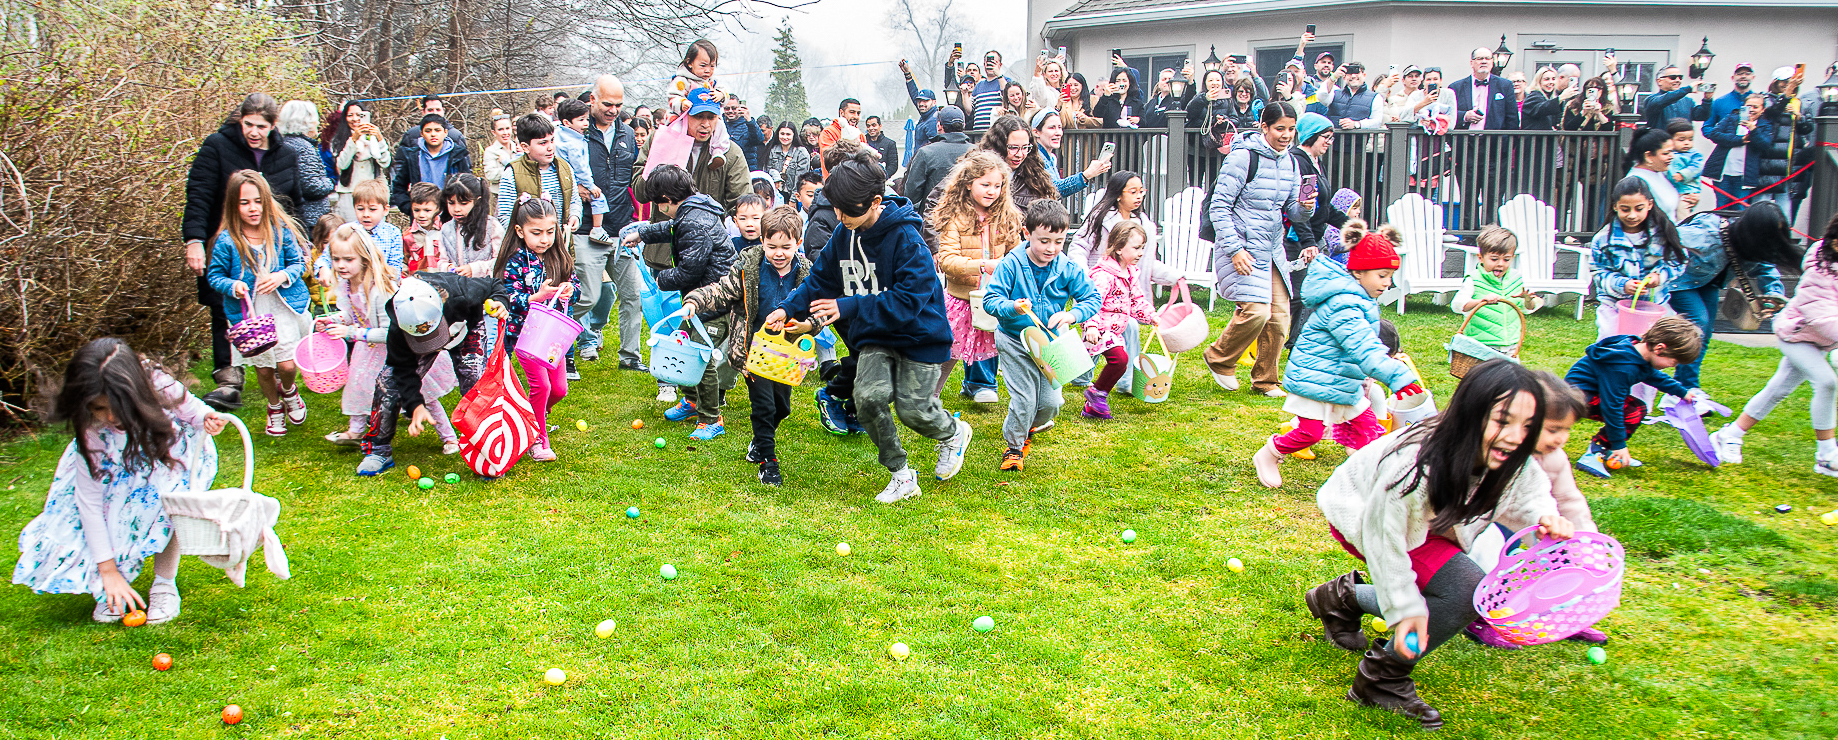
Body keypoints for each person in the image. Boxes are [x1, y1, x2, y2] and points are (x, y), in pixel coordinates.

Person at [1305, 359, 1572, 730]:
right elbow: (1385, 541)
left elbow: (1529, 489)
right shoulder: (1415, 465)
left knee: (1450, 593)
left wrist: (1544, 516)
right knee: (1463, 591)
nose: (1515, 436)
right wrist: (1403, 609)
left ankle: (1343, 597)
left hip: (1424, 525)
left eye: (1528, 425)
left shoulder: (1510, 455)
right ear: (1471, 413)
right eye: (1502, 420)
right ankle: (1382, 679)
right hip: (1366, 515)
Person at [764, 152, 972, 503]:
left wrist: (847, 306)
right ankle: (902, 476)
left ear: (875, 202)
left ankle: (953, 433)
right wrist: (786, 309)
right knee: (868, 398)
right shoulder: (844, 234)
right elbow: (820, 280)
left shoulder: (907, 240)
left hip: (919, 336)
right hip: (875, 336)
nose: (841, 218)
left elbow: (908, 301)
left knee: (914, 410)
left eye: (849, 210)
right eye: (837, 209)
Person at [11, 338, 231, 624]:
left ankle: (164, 583)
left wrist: (208, 418)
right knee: (112, 515)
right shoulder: (92, 429)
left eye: (117, 406)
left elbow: (194, 410)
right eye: (99, 407)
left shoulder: (157, 383)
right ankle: (116, 581)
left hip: (169, 459)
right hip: (116, 470)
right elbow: (89, 503)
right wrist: (108, 572)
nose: (111, 416)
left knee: (171, 507)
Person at [1252, 226, 1424, 488]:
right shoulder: (1345, 304)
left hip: (1341, 380)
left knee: (1368, 428)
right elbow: (1363, 347)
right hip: (1316, 378)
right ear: (1358, 272)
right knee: (1310, 433)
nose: (1388, 282)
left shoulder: (1359, 298)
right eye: (1382, 275)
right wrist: (1396, 375)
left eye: (1390, 276)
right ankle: (1269, 454)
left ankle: (1367, 473)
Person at [182, 93, 308, 413]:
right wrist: (194, 239)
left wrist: (302, 240)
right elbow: (198, 194)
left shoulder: (285, 154)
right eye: (247, 124)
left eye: (260, 126)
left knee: (276, 314)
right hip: (228, 242)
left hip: (273, 245)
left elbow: (295, 202)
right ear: (240, 120)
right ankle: (229, 380)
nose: (253, 132)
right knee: (226, 307)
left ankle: (281, 373)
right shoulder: (218, 146)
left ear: (273, 125)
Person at [683, 205, 812, 485]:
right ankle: (768, 461)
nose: (778, 253)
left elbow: (818, 309)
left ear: (797, 244)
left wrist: (809, 325)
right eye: (772, 246)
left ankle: (759, 439)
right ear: (763, 242)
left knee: (782, 408)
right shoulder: (749, 265)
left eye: (786, 247)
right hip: (754, 351)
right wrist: (695, 300)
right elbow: (721, 290)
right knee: (763, 407)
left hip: (786, 353)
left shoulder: (806, 273)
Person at [1202, 102, 1318, 396]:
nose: (1286, 135)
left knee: (1280, 318)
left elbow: (1292, 211)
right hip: (1241, 246)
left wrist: (1306, 207)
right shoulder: (1243, 157)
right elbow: (1219, 206)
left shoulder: (1290, 162)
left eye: (1291, 129)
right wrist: (1235, 248)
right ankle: (1220, 358)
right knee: (1256, 311)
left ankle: (1266, 380)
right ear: (1264, 127)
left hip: (1272, 249)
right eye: (1280, 128)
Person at [1710, 215, 1838, 476]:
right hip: (1797, 333)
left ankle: (1731, 434)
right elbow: (1819, 313)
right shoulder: (1820, 265)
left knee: (1778, 389)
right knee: (1826, 382)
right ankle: (1826, 454)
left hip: (1822, 338)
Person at [316, 223, 460, 453]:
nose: (341, 265)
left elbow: (387, 332)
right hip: (368, 347)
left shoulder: (379, 290)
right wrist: (335, 320)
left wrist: (352, 333)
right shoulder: (345, 286)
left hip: (396, 349)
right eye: (336, 259)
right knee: (360, 386)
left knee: (424, 392)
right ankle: (356, 430)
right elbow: (350, 312)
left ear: (364, 259)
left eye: (348, 259)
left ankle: (449, 437)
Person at [982, 199, 1100, 470]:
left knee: (1051, 403)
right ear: (1027, 233)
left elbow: (1092, 297)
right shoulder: (1011, 263)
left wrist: (1073, 315)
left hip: (1049, 343)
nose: (1051, 249)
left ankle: (1029, 427)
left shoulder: (1066, 266)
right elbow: (991, 301)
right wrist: (1012, 306)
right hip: (1015, 340)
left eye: (1058, 242)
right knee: (1025, 398)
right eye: (1044, 240)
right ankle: (1014, 447)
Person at [626, 164, 738, 439]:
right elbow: (672, 227)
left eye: (658, 203)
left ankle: (711, 417)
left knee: (702, 357)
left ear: (666, 201)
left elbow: (690, 270)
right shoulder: (696, 208)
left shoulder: (693, 222)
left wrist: (658, 279)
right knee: (685, 346)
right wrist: (644, 233)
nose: (660, 209)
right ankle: (690, 400)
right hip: (697, 301)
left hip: (714, 300)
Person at [206, 170, 312, 437]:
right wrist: (233, 285)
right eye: (244, 203)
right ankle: (274, 406)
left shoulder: (280, 231)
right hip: (250, 312)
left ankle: (288, 390)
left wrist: (280, 276)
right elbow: (215, 276)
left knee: (287, 364)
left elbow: (298, 264)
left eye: (257, 201)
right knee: (264, 368)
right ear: (233, 205)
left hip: (281, 306)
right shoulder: (228, 240)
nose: (252, 208)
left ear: (266, 200)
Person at [1666, 203, 1793, 391]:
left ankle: (1685, 386)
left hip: (1707, 282)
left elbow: (1766, 268)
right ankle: (1686, 388)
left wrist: (1774, 293)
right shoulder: (1707, 231)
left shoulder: (1760, 245)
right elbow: (1668, 239)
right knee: (1698, 322)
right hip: (1679, 281)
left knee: (1704, 332)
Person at [930, 150, 1024, 404]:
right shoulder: (956, 218)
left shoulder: (1006, 217)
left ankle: (1024, 398)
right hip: (961, 299)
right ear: (968, 183)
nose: (992, 191)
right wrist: (982, 265)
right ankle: (930, 396)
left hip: (995, 299)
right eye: (985, 184)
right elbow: (948, 260)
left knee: (1011, 348)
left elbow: (1018, 255)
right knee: (948, 349)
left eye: (997, 185)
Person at [493, 196, 578, 462]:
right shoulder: (515, 261)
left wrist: (569, 290)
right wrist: (534, 298)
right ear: (520, 231)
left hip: (554, 335)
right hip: (525, 336)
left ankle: (532, 416)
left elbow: (574, 285)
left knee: (559, 389)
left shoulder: (558, 254)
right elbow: (508, 297)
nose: (544, 239)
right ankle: (539, 437)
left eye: (550, 232)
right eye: (536, 233)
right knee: (540, 385)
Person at [1568, 316, 1704, 478]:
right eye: (1673, 362)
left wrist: (1682, 392)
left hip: (1593, 394)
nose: (1671, 367)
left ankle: (1610, 451)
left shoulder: (1636, 352)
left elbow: (1653, 376)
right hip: (1576, 398)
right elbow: (1612, 406)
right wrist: (1619, 443)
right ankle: (1595, 453)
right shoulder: (1623, 366)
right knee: (1630, 412)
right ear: (1660, 348)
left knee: (1638, 409)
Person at [581, 74, 646, 372]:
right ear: (592, 100)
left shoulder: (627, 135)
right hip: (585, 228)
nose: (613, 110)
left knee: (633, 294)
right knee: (586, 296)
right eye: (607, 103)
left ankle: (630, 358)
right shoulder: (578, 132)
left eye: (619, 105)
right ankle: (573, 349)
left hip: (621, 229)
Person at [1588, 177, 1686, 339]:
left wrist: (1659, 276)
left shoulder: (1663, 233)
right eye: (1625, 209)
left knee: (1652, 349)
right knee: (1611, 344)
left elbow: (1679, 262)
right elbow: (1598, 272)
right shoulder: (1603, 239)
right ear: (1615, 207)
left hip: (1654, 306)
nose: (1632, 215)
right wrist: (1622, 284)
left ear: (1650, 204)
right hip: (1614, 306)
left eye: (1638, 208)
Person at [1079, 220, 1157, 419]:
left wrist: (1151, 316)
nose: (1140, 252)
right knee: (1119, 359)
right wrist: (1091, 326)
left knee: (1120, 362)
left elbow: (1137, 300)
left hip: (1114, 330)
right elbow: (1092, 301)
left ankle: (1094, 404)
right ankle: (1097, 392)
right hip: (1099, 328)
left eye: (1142, 248)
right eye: (1137, 247)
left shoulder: (1130, 273)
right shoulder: (1104, 275)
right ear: (1120, 248)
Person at [638, 87, 750, 214]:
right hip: (666, 230)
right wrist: (659, 159)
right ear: (684, 115)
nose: (706, 124)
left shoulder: (729, 152)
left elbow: (742, 204)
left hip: (708, 231)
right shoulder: (659, 140)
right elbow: (640, 194)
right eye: (699, 116)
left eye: (711, 117)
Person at [1452, 226, 1543, 354]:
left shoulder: (1516, 279)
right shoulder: (1473, 279)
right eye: (1494, 259)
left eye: (1506, 259)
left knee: (1511, 374)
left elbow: (1527, 309)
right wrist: (1480, 301)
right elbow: (1458, 305)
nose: (1500, 264)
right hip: (1482, 345)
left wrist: (1528, 300)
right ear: (1481, 257)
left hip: (1511, 344)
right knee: (1485, 374)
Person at [314, 179, 404, 282]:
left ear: (385, 210)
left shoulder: (392, 233)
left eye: (372, 209)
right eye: (360, 209)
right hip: (349, 290)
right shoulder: (346, 230)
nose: (366, 214)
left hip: (380, 290)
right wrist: (323, 269)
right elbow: (325, 257)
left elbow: (395, 267)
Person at [1754, 66, 1814, 218]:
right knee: (1761, 203)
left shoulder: (1799, 103)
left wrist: (1799, 117)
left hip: (1790, 161)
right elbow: (1770, 115)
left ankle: (1782, 236)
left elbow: (1807, 129)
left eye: (1790, 82)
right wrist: (1784, 99)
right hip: (1768, 159)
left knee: (1785, 206)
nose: (1788, 85)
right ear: (1775, 82)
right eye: (1784, 82)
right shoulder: (1765, 100)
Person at [392, 114, 473, 217]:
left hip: (450, 215)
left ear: (445, 132)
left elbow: (468, 187)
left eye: (437, 130)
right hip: (422, 216)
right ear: (421, 133)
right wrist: (409, 208)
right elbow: (399, 186)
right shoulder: (413, 157)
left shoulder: (458, 155)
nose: (433, 134)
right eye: (428, 131)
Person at [975, 115, 1058, 213]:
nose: (1019, 155)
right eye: (1013, 148)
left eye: (1025, 148)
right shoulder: (977, 170)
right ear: (998, 145)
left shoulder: (1036, 177)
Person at [1703, 93, 1772, 208]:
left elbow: (1764, 145)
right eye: (1748, 106)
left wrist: (1752, 129)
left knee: (1740, 209)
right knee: (1721, 207)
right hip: (1723, 172)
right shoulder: (1731, 118)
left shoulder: (1765, 125)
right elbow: (1714, 135)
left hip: (1744, 176)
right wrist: (1740, 140)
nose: (1751, 110)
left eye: (1755, 107)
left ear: (1762, 109)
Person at [332, 101, 392, 223]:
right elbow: (341, 164)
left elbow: (385, 162)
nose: (355, 119)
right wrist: (353, 140)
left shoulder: (373, 137)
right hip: (349, 192)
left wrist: (380, 138)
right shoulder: (339, 139)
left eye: (359, 115)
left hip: (373, 191)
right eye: (350, 115)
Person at [277, 100, 335, 225]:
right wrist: (330, 182)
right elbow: (311, 186)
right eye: (315, 119)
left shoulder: (282, 144)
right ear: (306, 122)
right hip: (310, 218)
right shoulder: (304, 148)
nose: (318, 123)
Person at [901, 106, 972, 208]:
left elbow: (911, 195)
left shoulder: (925, 153)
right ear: (963, 126)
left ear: (939, 125)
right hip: (969, 218)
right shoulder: (978, 153)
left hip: (933, 218)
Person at [1030, 109, 1110, 198]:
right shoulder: (1034, 157)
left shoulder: (1051, 157)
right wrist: (1087, 174)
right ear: (1036, 132)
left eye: (1060, 127)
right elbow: (1054, 189)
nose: (1058, 133)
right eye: (1052, 128)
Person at [438, 173, 502, 279]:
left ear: (477, 201)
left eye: (463, 203)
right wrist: (448, 268)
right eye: (451, 203)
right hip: (456, 287)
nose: (457, 209)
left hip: (487, 286)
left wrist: (474, 269)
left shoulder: (492, 226)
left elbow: (501, 261)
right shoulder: (446, 229)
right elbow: (441, 260)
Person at [1624, 127, 1692, 221]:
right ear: (1648, 156)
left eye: (1672, 151)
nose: (1672, 157)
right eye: (1666, 153)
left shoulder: (1657, 172)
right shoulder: (1636, 183)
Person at [1448, 47, 1518, 130]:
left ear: (1492, 62)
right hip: (1464, 140)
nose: (1484, 61)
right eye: (1479, 58)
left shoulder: (1505, 85)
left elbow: (1512, 117)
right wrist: (1465, 116)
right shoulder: (1456, 87)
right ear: (1471, 63)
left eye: (1487, 58)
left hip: (1494, 140)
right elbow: (1448, 115)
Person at [666, 39, 722, 120]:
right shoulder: (681, 80)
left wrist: (721, 95)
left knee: (720, 124)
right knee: (675, 127)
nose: (708, 70)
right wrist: (681, 103)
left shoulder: (712, 82)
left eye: (712, 66)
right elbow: (673, 97)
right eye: (703, 65)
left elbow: (723, 92)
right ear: (690, 63)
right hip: (683, 118)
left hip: (708, 117)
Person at [395, 94, 468, 151]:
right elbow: (400, 164)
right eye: (430, 110)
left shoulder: (455, 136)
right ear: (423, 112)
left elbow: (464, 166)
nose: (434, 113)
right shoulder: (411, 135)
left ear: (443, 110)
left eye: (438, 109)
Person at [401, 183, 444, 274]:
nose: (421, 215)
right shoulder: (407, 236)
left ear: (438, 210)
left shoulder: (444, 232)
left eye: (427, 210)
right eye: (417, 210)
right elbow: (403, 262)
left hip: (442, 281)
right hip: (417, 282)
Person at [966, 48, 1014, 130]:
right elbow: (969, 111)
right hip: (978, 132)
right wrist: (964, 94)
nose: (990, 65)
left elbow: (1008, 97)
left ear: (1000, 65)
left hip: (996, 133)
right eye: (987, 62)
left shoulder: (1005, 81)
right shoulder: (979, 85)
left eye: (994, 62)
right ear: (984, 65)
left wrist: (998, 74)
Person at [1325, 63, 1383, 129]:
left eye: (1357, 72)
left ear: (1364, 75)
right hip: (1333, 138)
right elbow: (1321, 96)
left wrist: (1356, 124)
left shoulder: (1375, 97)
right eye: (1349, 73)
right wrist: (1334, 76)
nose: (1353, 76)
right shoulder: (1334, 93)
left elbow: (1377, 122)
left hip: (1359, 139)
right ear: (1344, 77)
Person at [481, 115, 518, 214]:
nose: (505, 133)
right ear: (494, 132)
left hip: (518, 195)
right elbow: (491, 175)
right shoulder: (491, 151)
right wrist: (512, 168)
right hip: (499, 196)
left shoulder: (518, 147)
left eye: (507, 128)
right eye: (501, 129)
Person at [767, 122, 811, 204]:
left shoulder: (801, 153)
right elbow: (769, 172)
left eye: (788, 134)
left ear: (793, 135)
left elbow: (800, 179)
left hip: (794, 197)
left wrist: (793, 200)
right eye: (782, 134)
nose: (785, 137)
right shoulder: (773, 150)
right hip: (776, 196)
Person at [899, 59, 941, 145]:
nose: (921, 104)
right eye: (919, 101)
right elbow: (914, 94)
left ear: (934, 102)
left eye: (925, 101)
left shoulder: (933, 120)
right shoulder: (926, 115)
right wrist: (907, 74)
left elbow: (933, 148)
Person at [817, 98, 865, 168]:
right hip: (835, 177)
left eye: (858, 113)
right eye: (852, 112)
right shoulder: (828, 132)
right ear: (842, 113)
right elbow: (830, 159)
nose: (856, 116)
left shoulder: (860, 135)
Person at [723, 95, 764, 170]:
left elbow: (759, 139)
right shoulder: (720, 123)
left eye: (734, 108)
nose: (730, 111)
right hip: (725, 170)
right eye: (727, 108)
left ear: (739, 108)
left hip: (745, 170)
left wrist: (749, 120)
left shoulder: (748, 124)